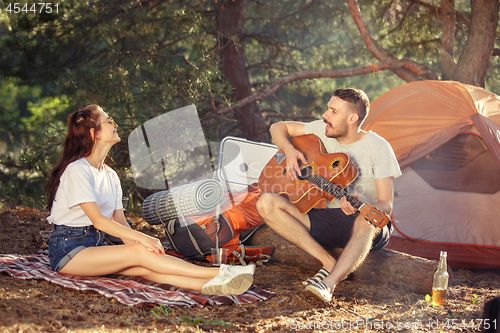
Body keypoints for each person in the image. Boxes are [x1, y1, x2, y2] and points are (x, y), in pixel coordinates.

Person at [45, 104, 254, 295]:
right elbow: (99, 221)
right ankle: (219, 274)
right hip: (68, 251)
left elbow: (120, 223)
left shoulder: (109, 175)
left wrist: (142, 245)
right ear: (94, 133)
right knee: (139, 251)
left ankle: (210, 286)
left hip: (94, 247)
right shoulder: (77, 170)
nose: (114, 124)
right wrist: (142, 242)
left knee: (142, 265)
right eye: (109, 121)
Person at [256, 88, 401, 302]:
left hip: (365, 223)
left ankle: (328, 284)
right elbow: (278, 127)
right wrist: (289, 150)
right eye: (327, 109)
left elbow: (386, 204)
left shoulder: (379, 147)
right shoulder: (321, 129)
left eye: (333, 111)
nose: (325, 115)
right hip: (327, 220)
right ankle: (328, 262)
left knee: (366, 219)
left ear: (352, 118)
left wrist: (360, 206)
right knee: (266, 202)